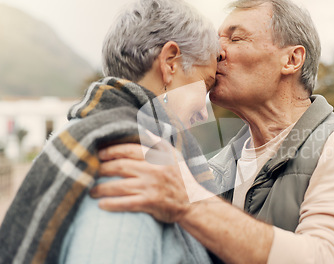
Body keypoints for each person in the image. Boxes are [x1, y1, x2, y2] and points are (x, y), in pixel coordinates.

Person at [90, 0, 334, 263]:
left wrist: (191, 203)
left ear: (291, 59)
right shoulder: (213, 166)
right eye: (217, 39)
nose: (216, 52)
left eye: (236, 38)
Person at [0, 0, 220, 263]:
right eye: (205, 84)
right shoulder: (134, 161)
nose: (205, 113)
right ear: (171, 63)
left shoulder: (79, 135)